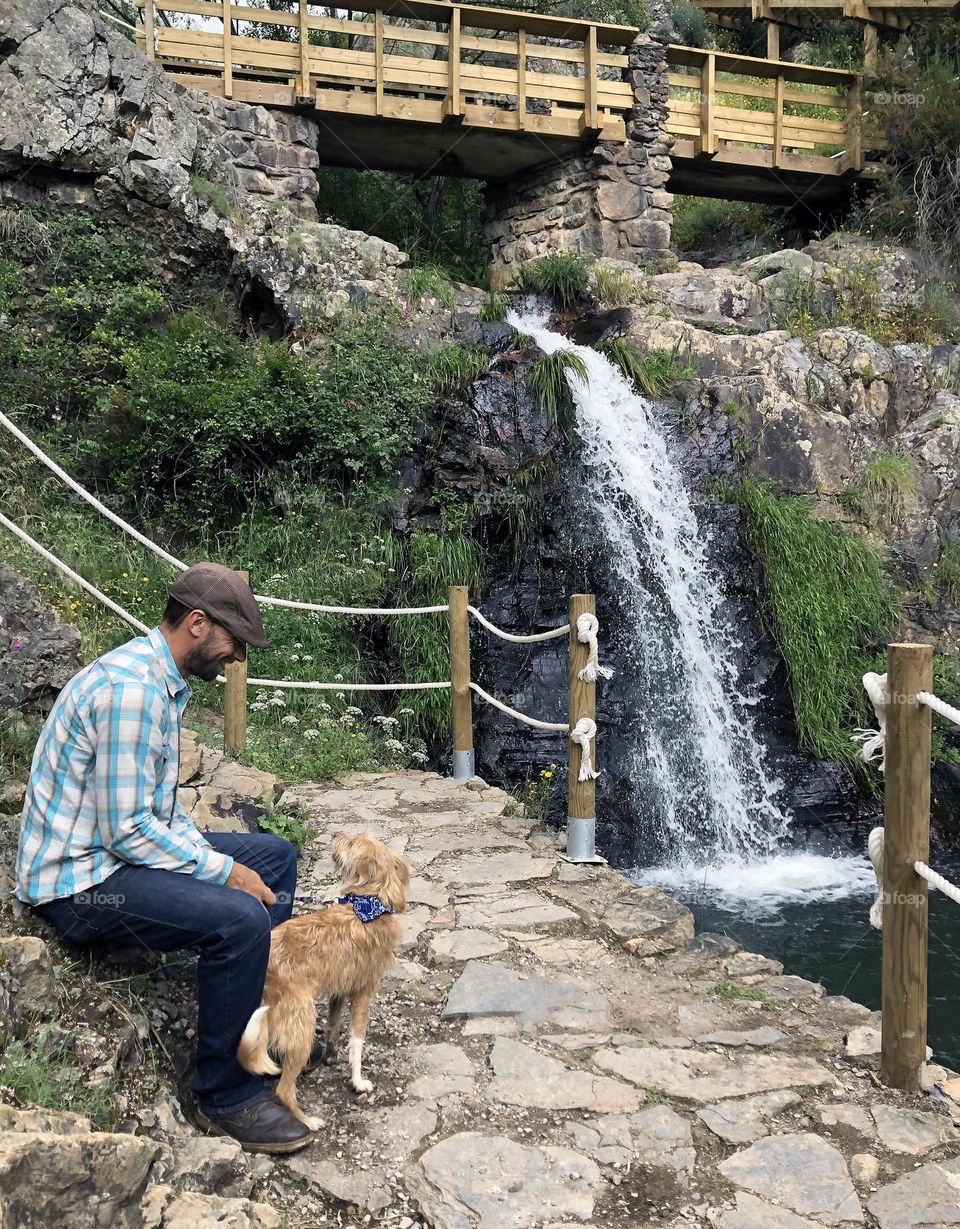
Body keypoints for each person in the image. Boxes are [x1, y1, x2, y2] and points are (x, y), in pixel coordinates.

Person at [15, 562, 316, 1154]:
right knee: (243, 917)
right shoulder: (132, 692)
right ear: (199, 625)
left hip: (113, 856)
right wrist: (223, 871)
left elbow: (157, 809)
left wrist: (216, 857)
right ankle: (225, 1096)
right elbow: (125, 831)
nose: (238, 659)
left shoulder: (158, 678)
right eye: (235, 643)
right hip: (81, 885)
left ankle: (255, 1024)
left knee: (276, 857)